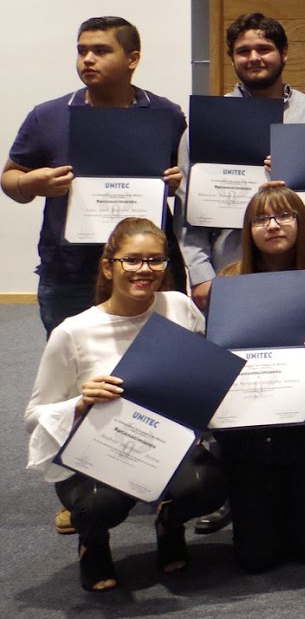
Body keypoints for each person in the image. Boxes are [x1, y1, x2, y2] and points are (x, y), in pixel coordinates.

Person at [24, 218, 225, 591]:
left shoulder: (178, 306)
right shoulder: (72, 331)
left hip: (163, 444)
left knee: (208, 485)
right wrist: (80, 403)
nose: (144, 270)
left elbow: (202, 368)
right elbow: (34, 417)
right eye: (131, 260)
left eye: (155, 261)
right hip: (96, 452)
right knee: (98, 505)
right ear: (108, 265)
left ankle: (170, 522)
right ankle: (93, 542)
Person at [4, 16, 186, 333]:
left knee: (156, 362)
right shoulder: (48, 116)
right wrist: (31, 183)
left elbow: (183, 177)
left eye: (101, 50)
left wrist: (177, 182)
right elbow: (10, 176)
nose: (88, 59)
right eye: (82, 51)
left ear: (133, 59)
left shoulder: (165, 114)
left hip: (148, 268)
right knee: (76, 368)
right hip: (70, 271)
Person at [214, 186, 305, 572]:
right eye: (260, 219)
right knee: (256, 558)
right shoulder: (228, 283)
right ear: (248, 230)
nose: (273, 226)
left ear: (302, 224)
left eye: (284, 216)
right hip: (250, 431)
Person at [178, 11, 305, 311]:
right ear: (232, 60)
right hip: (230, 269)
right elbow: (187, 211)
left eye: (264, 49)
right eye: (243, 51)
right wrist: (200, 275)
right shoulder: (209, 122)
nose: (254, 57)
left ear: (284, 53)